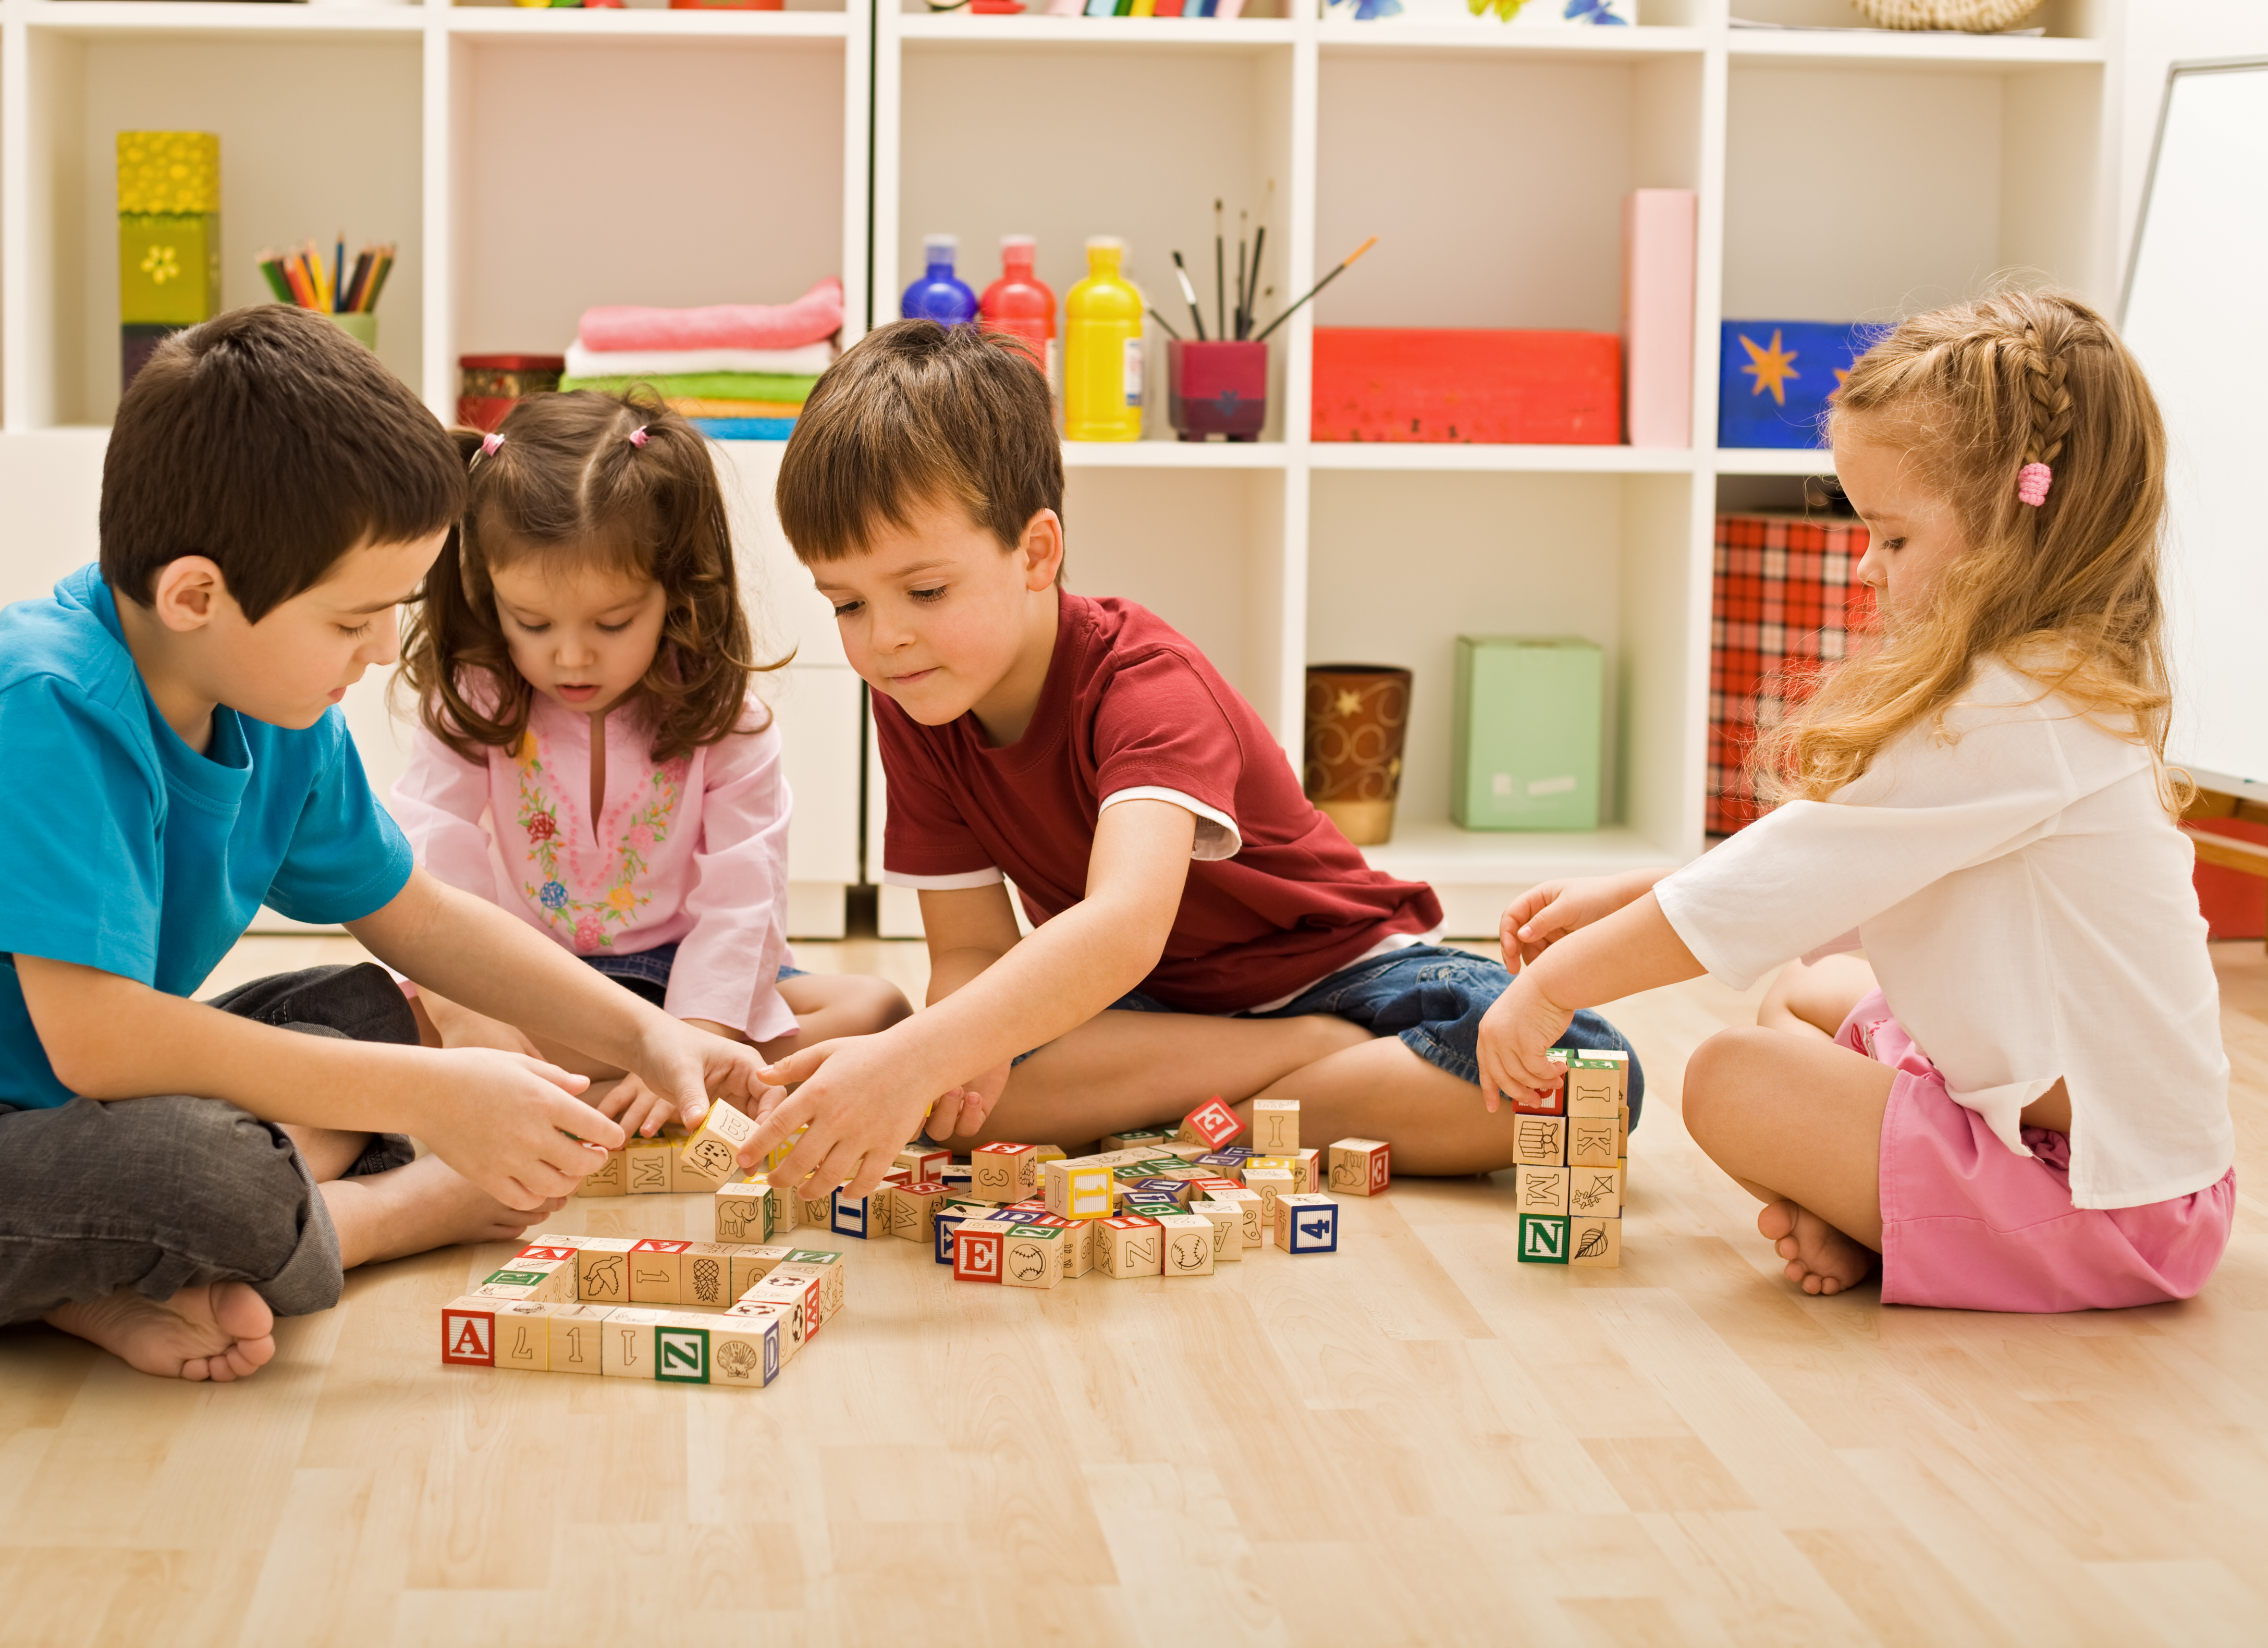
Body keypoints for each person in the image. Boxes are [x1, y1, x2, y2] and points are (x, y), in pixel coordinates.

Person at [0, 306, 763, 1382]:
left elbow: (417, 917)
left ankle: (103, 1275)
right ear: (197, 595)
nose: (383, 652)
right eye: (352, 621)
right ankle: (374, 1213)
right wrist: (434, 1104)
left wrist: (641, 1035)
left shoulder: (276, 701)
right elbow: (99, 1044)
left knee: (376, 1009)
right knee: (216, 1177)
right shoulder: (47, 700)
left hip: (33, 1113)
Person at [735, 317, 1640, 1193]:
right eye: (846, 605)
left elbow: (1122, 926)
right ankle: (1298, 1070)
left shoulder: (1145, 683)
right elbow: (971, 950)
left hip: (1347, 973)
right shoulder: (921, 697)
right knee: (980, 1102)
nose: (885, 639)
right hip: (1156, 1014)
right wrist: (949, 1061)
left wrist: (919, 1059)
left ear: (1035, 552)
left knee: (1588, 1081)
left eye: (924, 589)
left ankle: (1241, 1094)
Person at [1477, 290, 2235, 1310]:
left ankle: (1890, 1223)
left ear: (2017, 524)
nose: (1861, 565)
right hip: (2119, 1152)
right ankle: (1879, 1214)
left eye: (1890, 538)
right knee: (1794, 994)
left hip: (2105, 1199)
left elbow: (1785, 877)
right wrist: (1624, 897)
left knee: (1728, 1076)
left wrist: (1553, 986)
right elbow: (1821, 867)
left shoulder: (2006, 718)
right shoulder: (2041, 682)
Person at [389, 390, 909, 1129]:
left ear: (677, 589)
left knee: (876, 1008)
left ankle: (598, 1097)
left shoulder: (728, 723)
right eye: (530, 622)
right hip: (535, 985)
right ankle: (627, 1097)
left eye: (613, 621)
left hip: (681, 984)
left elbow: (743, 895)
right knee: (387, 1022)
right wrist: (469, 1006)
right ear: (486, 590)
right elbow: (430, 851)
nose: (570, 655)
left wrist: (698, 1038)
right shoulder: (478, 698)